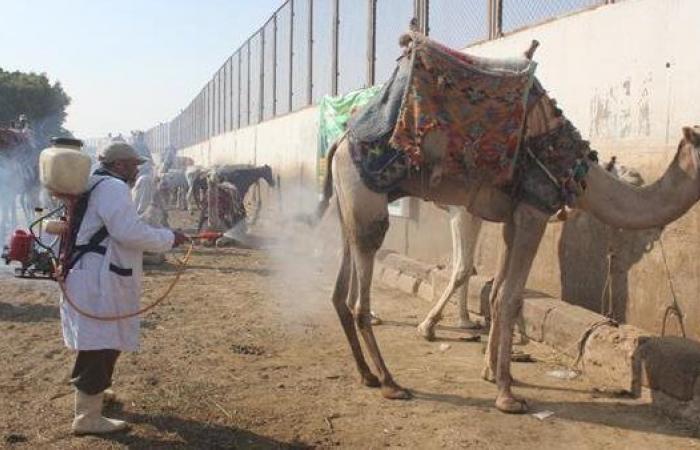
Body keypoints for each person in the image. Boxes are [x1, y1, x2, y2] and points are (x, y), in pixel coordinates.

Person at [61, 142, 188, 435]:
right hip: (98, 279)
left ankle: (94, 395)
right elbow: (128, 232)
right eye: (133, 164)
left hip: (91, 274)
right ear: (119, 165)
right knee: (100, 342)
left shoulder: (94, 183)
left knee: (103, 339)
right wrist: (168, 237)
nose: (136, 170)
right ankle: (87, 417)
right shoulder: (113, 188)